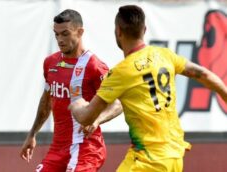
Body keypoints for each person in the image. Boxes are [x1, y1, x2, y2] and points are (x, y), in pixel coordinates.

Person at [69, 5, 227, 172]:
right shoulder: (165, 55)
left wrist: (76, 103)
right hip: (174, 157)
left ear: (118, 32)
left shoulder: (120, 72)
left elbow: (85, 117)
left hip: (147, 161)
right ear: (144, 29)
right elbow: (204, 74)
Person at [20, 9, 122, 172]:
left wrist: (96, 120)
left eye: (65, 34)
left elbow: (117, 104)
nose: (60, 40)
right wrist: (32, 134)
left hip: (86, 148)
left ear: (80, 32)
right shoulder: (50, 63)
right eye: (56, 34)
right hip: (58, 149)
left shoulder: (94, 66)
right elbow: (47, 101)